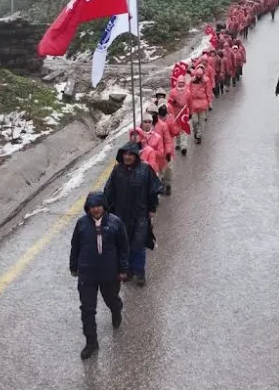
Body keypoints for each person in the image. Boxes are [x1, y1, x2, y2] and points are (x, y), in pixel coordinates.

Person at [70, 191, 129, 360]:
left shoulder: (116, 223)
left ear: (104, 206)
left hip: (109, 273)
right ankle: (91, 342)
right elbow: (75, 246)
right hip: (87, 274)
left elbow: (124, 249)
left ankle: (116, 310)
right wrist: (73, 266)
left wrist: (123, 269)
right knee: (87, 309)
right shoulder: (81, 224)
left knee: (111, 299)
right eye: (92, 207)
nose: (95, 210)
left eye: (98, 206)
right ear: (87, 208)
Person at [104, 142, 163, 286]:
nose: (127, 157)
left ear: (136, 156)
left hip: (140, 214)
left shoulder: (145, 169)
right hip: (121, 214)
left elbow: (152, 190)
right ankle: (128, 270)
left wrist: (152, 208)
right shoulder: (117, 170)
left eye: (130, 154)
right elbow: (109, 191)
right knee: (124, 243)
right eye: (125, 154)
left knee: (139, 242)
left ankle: (140, 271)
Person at [168, 75, 191, 156]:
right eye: (179, 83)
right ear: (177, 83)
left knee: (183, 129)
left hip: (184, 112)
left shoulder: (188, 92)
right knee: (176, 129)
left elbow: (190, 103)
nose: (181, 84)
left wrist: (190, 112)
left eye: (182, 83)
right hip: (175, 112)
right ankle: (178, 143)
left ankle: (184, 146)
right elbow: (169, 103)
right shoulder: (172, 92)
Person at [189, 68, 210, 144]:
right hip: (193, 105)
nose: (199, 77)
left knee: (201, 122)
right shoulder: (192, 81)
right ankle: (195, 132)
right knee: (194, 121)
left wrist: (208, 103)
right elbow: (188, 92)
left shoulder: (205, 81)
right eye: (198, 75)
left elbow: (208, 92)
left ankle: (199, 136)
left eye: (200, 75)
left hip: (202, 104)